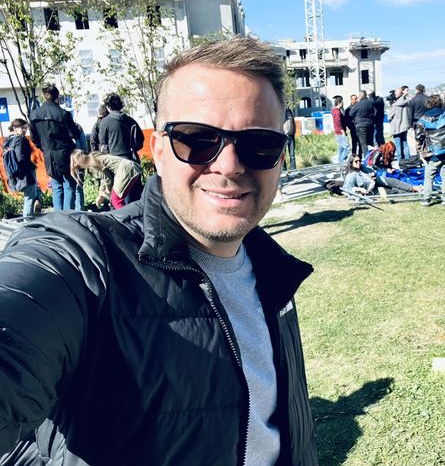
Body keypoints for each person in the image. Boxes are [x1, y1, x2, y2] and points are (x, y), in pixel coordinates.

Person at [0, 37, 317, 465]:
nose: (229, 166)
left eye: (259, 143)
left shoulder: (272, 270)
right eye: (197, 139)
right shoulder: (87, 259)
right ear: (159, 151)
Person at [29, 83, 79, 211]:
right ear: (57, 96)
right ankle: (67, 216)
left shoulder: (34, 115)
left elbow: (34, 138)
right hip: (65, 153)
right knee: (69, 185)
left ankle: (58, 217)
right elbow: (75, 134)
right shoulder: (63, 114)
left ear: (44, 96)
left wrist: (44, 147)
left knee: (56, 187)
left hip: (48, 154)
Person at [415, 94, 445, 206]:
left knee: (429, 177)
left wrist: (420, 151)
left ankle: (427, 199)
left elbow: (418, 138)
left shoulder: (422, 120)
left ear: (428, 104)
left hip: (431, 153)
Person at [71, 150, 143, 210]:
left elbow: (108, 179)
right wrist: (101, 193)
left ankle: (125, 219)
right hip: (131, 167)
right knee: (128, 198)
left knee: (116, 200)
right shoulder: (93, 157)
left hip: (125, 170)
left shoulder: (92, 164)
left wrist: (108, 192)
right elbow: (104, 178)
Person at [3, 119, 39, 218]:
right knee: (29, 198)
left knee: (33, 193)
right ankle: (27, 221)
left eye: (26, 128)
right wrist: (30, 167)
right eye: (22, 128)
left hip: (13, 173)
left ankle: (36, 206)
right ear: (15, 128)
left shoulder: (7, 141)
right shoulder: (20, 140)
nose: (25, 130)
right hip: (25, 173)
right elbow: (20, 158)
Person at [98, 92, 144, 162]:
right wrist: (133, 149)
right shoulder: (130, 120)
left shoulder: (105, 122)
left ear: (108, 107)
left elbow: (103, 145)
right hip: (132, 160)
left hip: (115, 162)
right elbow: (140, 140)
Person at [349, 89, 375, 159]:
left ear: (360, 95)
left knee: (364, 144)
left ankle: (368, 160)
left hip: (361, 126)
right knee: (370, 143)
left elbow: (351, 113)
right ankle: (372, 158)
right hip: (370, 125)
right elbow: (375, 113)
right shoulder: (371, 103)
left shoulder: (358, 104)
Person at [388, 86, 411, 160]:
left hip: (397, 127)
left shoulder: (395, 105)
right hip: (404, 126)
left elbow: (389, 116)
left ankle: (400, 159)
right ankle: (408, 159)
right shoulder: (407, 102)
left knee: (398, 144)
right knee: (405, 143)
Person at [332, 95, 349, 163]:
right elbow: (338, 122)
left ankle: (339, 162)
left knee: (341, 148)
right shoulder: (337, 112)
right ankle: (341, 162)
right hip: (340, 133)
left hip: (338, 132)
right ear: (339, 103)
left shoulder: (336, 111)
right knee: (347, 148)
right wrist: (342, 131)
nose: (343, 104)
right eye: (342, 102)